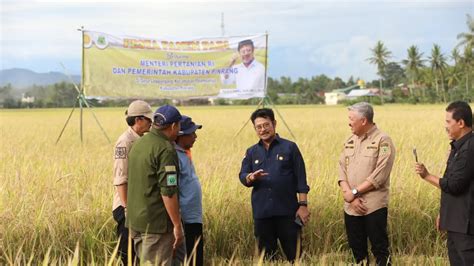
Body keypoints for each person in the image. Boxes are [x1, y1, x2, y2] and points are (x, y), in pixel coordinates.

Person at [238, 108, 310, 262]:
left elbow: (301, 180)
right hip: (262, 214)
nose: (263, 130)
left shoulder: (290, 147)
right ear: (255, 129)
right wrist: (251, 177)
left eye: (266, 125)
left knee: (296, 257)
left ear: (274, 124)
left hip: (288, 213)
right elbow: (243, 176)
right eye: (258, 127)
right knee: (268, 258)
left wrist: (303, 205)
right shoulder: (251, 152)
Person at [415, 101, 474, 265]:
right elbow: (449, 183)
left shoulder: (470, 149)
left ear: (461, 123)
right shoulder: (457, 148)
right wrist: (444, 213)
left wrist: (427, 176)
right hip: (455, 222)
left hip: (466, 226)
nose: (445, 126)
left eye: (448, 122)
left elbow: (454, 185)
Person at [338, 102, 395, 265]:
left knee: (380, 249)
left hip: (373, 206)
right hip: (351, 206)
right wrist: (350, 196)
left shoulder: (383, 141)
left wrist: (354, 192)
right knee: (357, 249)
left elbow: (381, 173)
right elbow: (341, 168)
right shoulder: (349, 140)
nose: (348, 122)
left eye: (351, 119)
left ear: (363, 121)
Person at [127, 104, 184, 265]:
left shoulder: (140, 143)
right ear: (173, 126)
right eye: (179, 126)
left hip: (136, 222)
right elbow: (168, 191)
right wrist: (177, 225)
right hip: (156, 225)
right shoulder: (165, 149)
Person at [112, 100, 153, 265]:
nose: (151, 123)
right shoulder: (125, 142)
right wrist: (127, 208)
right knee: (127, 254)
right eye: (148, 119)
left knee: (139, 253)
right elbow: (120, 179)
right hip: (127, 207)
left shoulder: (141, 139)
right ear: (138, 120)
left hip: (139, 206)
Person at [175, 116, 204, 266]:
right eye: (191, 133)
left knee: (197, 257)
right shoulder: (173, 156)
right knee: (189, 259)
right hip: (184, 219)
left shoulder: (185, 152)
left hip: (193, 217)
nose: (195, 137)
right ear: (180, 135)